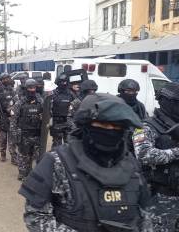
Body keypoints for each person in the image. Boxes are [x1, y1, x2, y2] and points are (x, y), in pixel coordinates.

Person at [19, 93, 153, 232]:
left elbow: (145, 215)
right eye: (102, 124)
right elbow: (35, 216)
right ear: (86, 125)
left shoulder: (131, 164)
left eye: (116, 126)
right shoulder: (57, 162)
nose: (110, 130)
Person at [133, 82, 179, 231]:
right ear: (166, 102)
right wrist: (176, 152)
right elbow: (144, 154)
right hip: (160, 196)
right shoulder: (147, 126)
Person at [10, 79, 44, 180]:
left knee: (35, 155)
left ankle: (32, 173)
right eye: (30, 88)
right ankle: (22, 173)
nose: (32, 90)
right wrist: (14, 133)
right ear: (26, 89)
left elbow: (46, 115)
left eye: (34, 88)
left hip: (37, 133)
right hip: (24, 133)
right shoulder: (20, 102)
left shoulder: (40, 101)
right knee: (24, 155)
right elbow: (13, 119)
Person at [0, 72, 17, 163]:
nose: (6, 80)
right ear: (1, 80)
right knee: (3, 138)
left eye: (7, 78)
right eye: (4, 79)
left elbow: (16, 101)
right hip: (2, 117)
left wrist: (14, 110)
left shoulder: (12, 90)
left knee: (12, 139)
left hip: (11, 117)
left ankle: (13, 157)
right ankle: (3, 154)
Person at [50, 74, 74, 148]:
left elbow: (76, 107)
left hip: (68, 123)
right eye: (62, 82)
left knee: (70, 145)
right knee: (57, 146)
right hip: (56, 123)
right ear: (57, 82)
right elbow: (47, 109)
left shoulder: (71, 94)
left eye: (65, 82)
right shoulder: (52, 93)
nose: (64, 84)